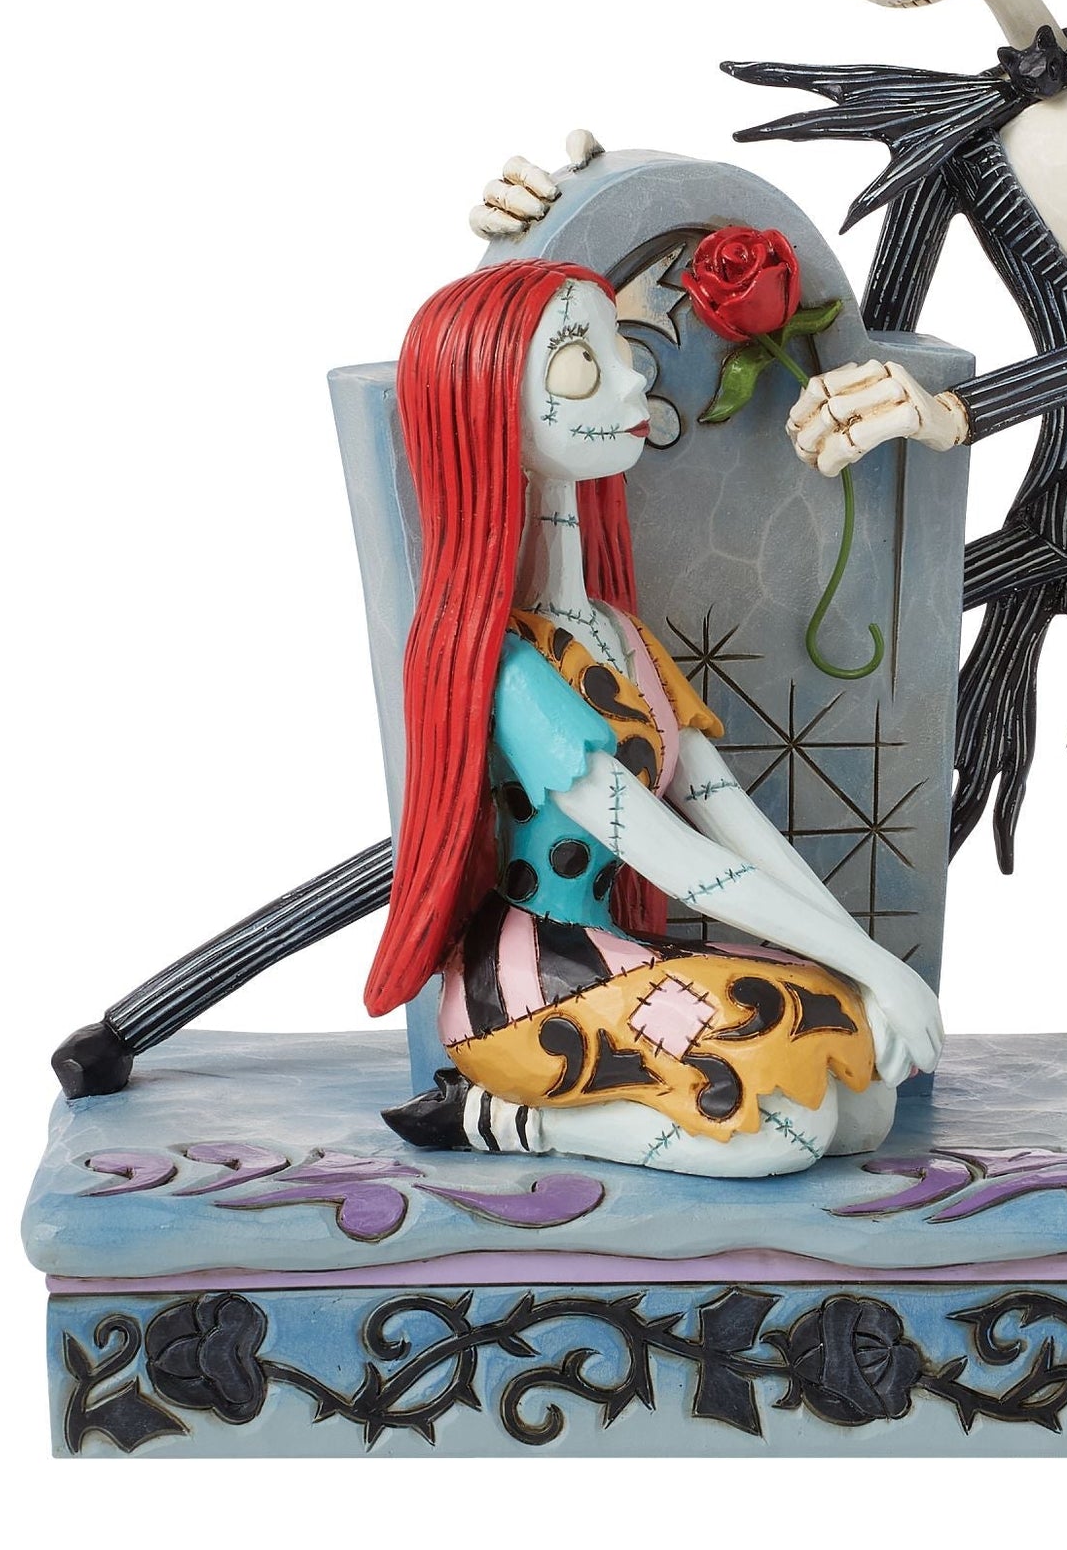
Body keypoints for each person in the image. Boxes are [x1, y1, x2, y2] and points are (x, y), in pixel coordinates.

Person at [372, 258, 942, 1177]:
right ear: (488, 410)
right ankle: (500, 1119)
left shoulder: (621, 634)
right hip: (527, 983)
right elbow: (677, 859)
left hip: (613, 950)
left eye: (620, 347)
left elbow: (730, 817)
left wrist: (866, 963)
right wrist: (878, 968)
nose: (632, 378)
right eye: (579, 363)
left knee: (865, 1102)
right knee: (784, 1135)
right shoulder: (512, 669)